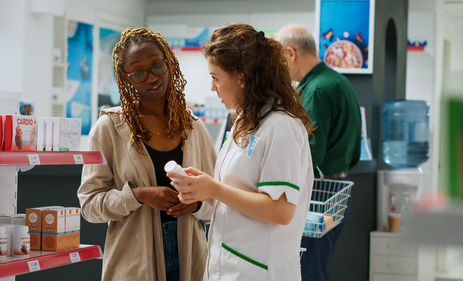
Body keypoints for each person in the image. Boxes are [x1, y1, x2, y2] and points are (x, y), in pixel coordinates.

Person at [166, 23, 314, 281]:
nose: (213, 88)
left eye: (216, 78)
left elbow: (281, 211)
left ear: (242, 78)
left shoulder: (281, 127)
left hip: (259, 271)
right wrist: (203, 189)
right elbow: (238, 194)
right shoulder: (245, 122)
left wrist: (215, 189)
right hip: (231, 266)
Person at [77, 27, 217, 281]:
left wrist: (195, 204)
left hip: (191, 260)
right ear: (126, 77)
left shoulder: (194, 128)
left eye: (157, 66)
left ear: (169, 62)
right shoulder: (110, 128)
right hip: (134, 264)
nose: (152, 78)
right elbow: (89, 206)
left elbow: (218, 201)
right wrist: (138, 196)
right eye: (139, 72)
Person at [276, 24, 361, 281]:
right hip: (338, 188)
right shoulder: (338, 81)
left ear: (291, 54)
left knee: (307, 269)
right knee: (318, 265)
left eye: (280, 59)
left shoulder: (316, 90)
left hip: (318, 194)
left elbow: (309, 155)